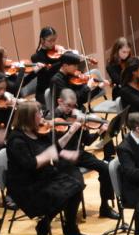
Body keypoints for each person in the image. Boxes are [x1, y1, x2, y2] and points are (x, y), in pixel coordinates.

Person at [5, 100, 87, 235]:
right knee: (62, 194)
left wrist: (71, 132)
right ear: (29, 117)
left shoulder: (39, 131)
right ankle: (43, 225)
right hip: (25, 184)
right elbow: (30, 165)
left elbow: (54, 148)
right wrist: (49, 155)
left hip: (43, 175)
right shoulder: (16, 140)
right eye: (39, 114)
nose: (43, 117)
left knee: (76, 187)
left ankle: (70, 228)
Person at [50, 89, 117, 220]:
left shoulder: (78, 115)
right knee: (77, 182)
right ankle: (69, 214)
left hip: (79, 154)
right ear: (59, 101)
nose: (72, 109)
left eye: (74, 105)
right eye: (68, 105)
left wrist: (99, 132)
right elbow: (54, 147)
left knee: (106, 169)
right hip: (62, 157)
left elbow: (87, 141)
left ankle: (105, 207)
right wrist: (71, 130)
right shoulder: (51, 118)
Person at [31, 27, 65, 102]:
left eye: (54, 40)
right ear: (42, 40)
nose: (53, 43)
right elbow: (48, 73)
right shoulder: (36, 57)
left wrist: (65, 53)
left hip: (58, 87)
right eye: (50, 41)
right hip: (45, 92)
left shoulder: (57, 52)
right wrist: (63, 60)